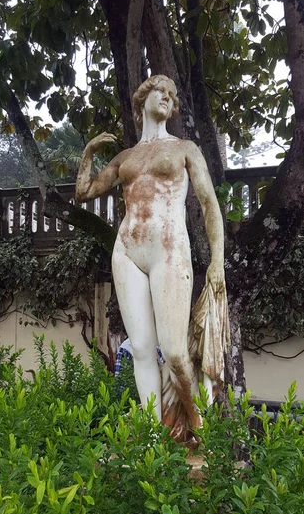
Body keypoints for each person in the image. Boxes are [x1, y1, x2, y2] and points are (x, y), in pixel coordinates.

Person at [76, 75, 228, 442]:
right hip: (127, 250)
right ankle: (151, 436)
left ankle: (198, 427)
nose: (168, 98)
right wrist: (89, 153)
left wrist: (217, 260)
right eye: (161, 91)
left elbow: (209, 204)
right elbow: (84, 192)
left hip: (169, 248)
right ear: (143, 98)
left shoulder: (184, 148)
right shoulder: (125, 157)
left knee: (175, 352)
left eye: (172, 95)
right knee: (142, 349)